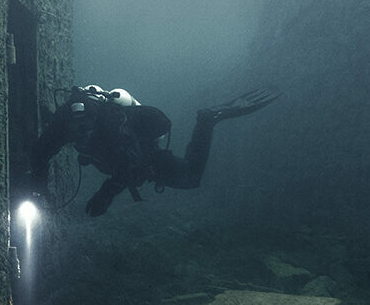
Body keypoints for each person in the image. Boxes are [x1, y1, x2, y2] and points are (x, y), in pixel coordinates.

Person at [29, 85, 280, 216]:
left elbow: (131, 168)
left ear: (95, 121)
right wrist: (38, 188)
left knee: (191, 177)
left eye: (86, 128)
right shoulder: (62, 125)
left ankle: (207, 120)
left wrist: (106, 193)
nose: (80, 133)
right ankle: (207, 120)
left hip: (145, 155)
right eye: (76, 129)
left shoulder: (112, 129)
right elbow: (41, 151)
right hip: (116, 159)